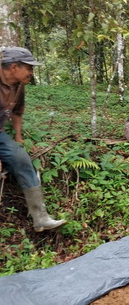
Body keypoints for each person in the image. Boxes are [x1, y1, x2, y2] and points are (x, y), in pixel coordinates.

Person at [0, 47, 66, 232]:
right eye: (29, 68)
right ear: (14, 67)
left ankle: (41, 218)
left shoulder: (19, 85)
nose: (31, 72)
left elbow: (17, 111)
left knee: (21, 157)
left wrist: (18, 136)